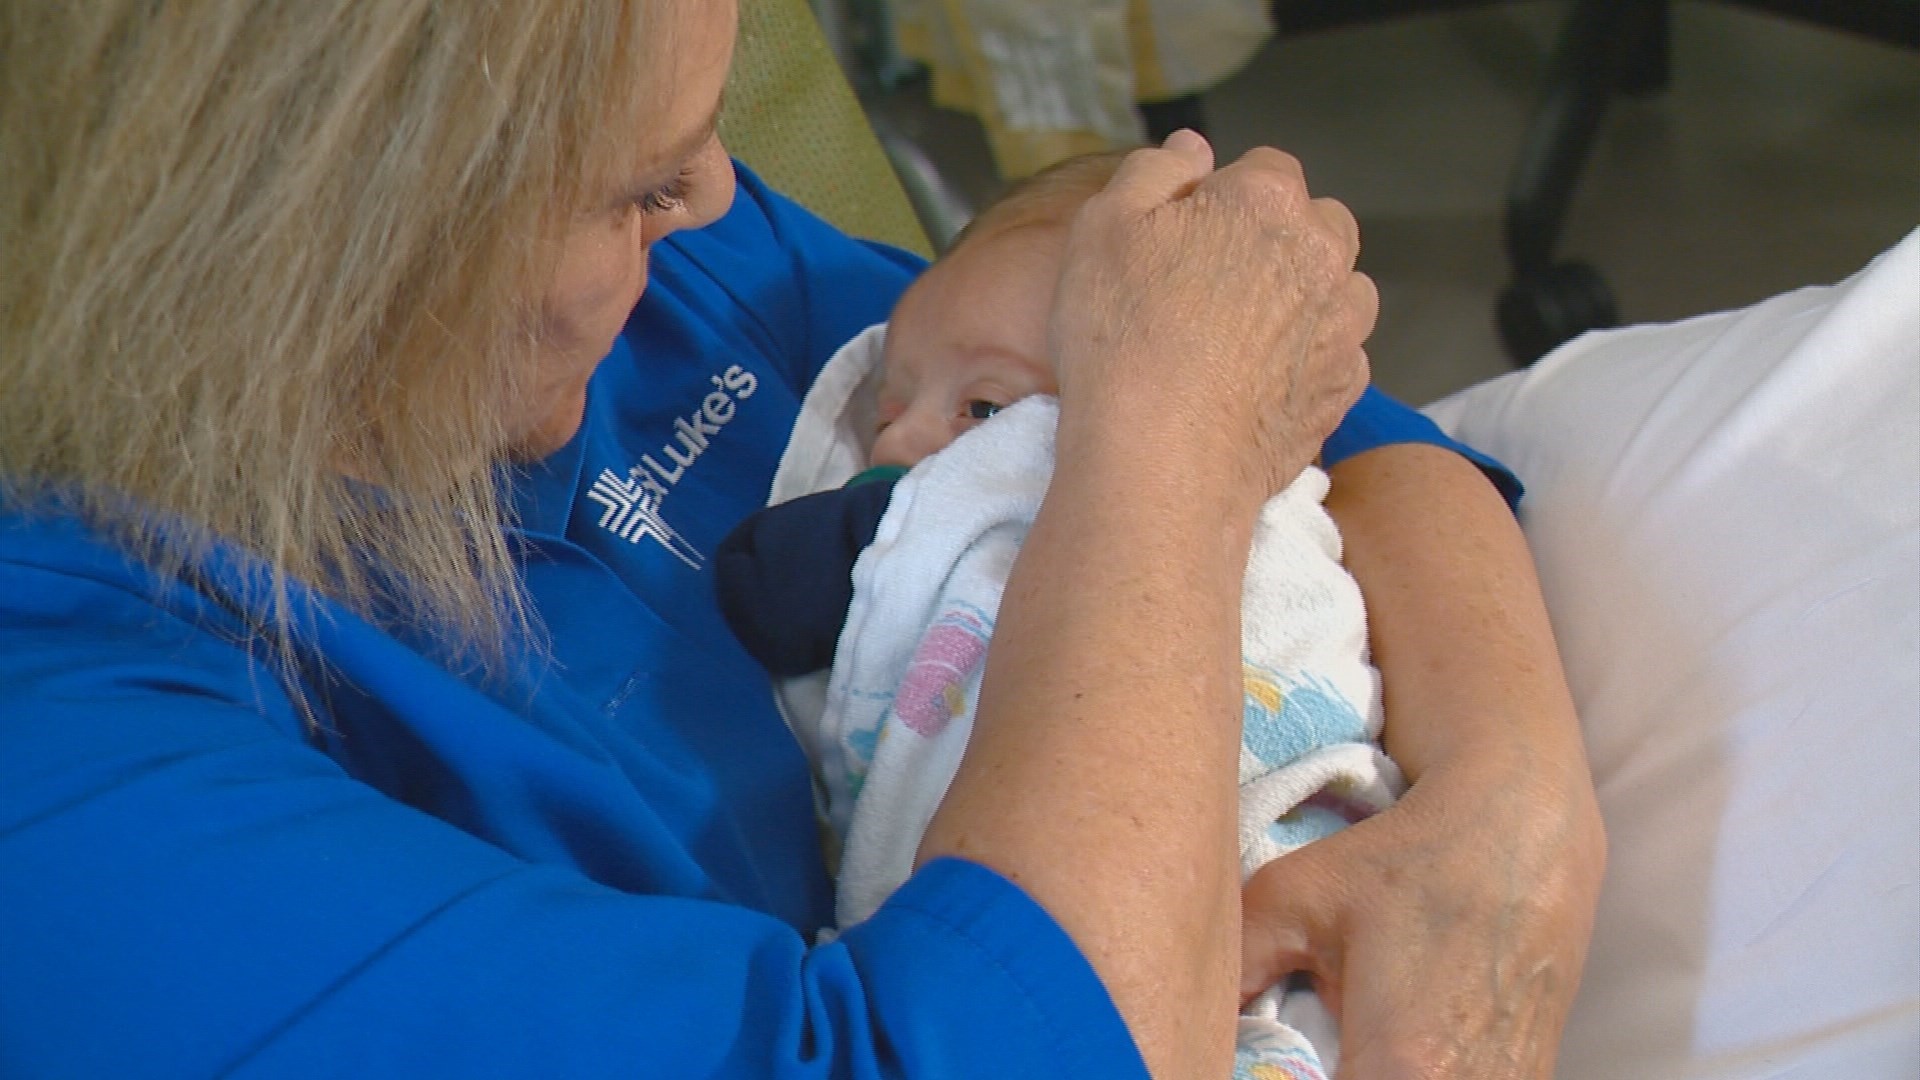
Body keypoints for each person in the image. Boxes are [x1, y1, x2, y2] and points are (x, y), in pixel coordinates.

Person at [0, 2, 1604, 1077]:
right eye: (634, 186)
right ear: (306, 235)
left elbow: (1301, 400)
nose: (714, 191)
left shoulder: (649, 275)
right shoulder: (78, 770)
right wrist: (1169, 452)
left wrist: (1513, 802)